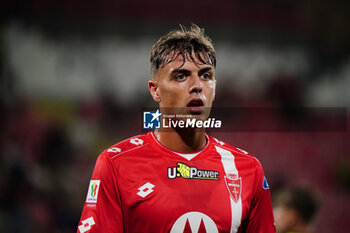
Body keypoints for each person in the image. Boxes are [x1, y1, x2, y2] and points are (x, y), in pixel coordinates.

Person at [77, 24, 275, 233]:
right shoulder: (116, 164)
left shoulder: (248, 170)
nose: (197, 85)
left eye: (206, 76)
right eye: (181, 76)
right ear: (155, 91)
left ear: (214, 88)